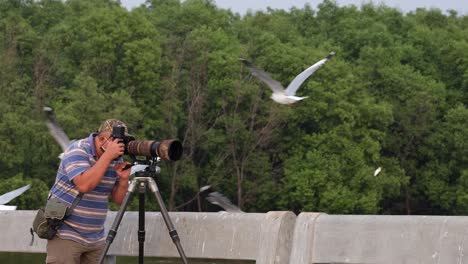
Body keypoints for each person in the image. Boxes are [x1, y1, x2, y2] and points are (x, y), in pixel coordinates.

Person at [46, 119, 132, 264]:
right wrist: (107, 156)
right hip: (65, 234)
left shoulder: (115, 158)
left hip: (96, 238)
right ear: (102, 139)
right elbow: (84, 185)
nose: (120, 145)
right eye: (117, 140)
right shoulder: (77, 150)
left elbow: (119, 201)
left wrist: (123, 180)